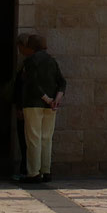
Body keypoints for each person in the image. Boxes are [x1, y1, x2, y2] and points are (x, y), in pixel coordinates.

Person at [14, 31, 66, 184]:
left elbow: (32, 84)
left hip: (33, 104)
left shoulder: (30, 61)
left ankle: (33, 173)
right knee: (46, 138)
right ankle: (46, 171)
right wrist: (56, 99)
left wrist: (47, 99)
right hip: (51, 106)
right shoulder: (52, 61)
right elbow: (62, 82)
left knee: (33, 138)